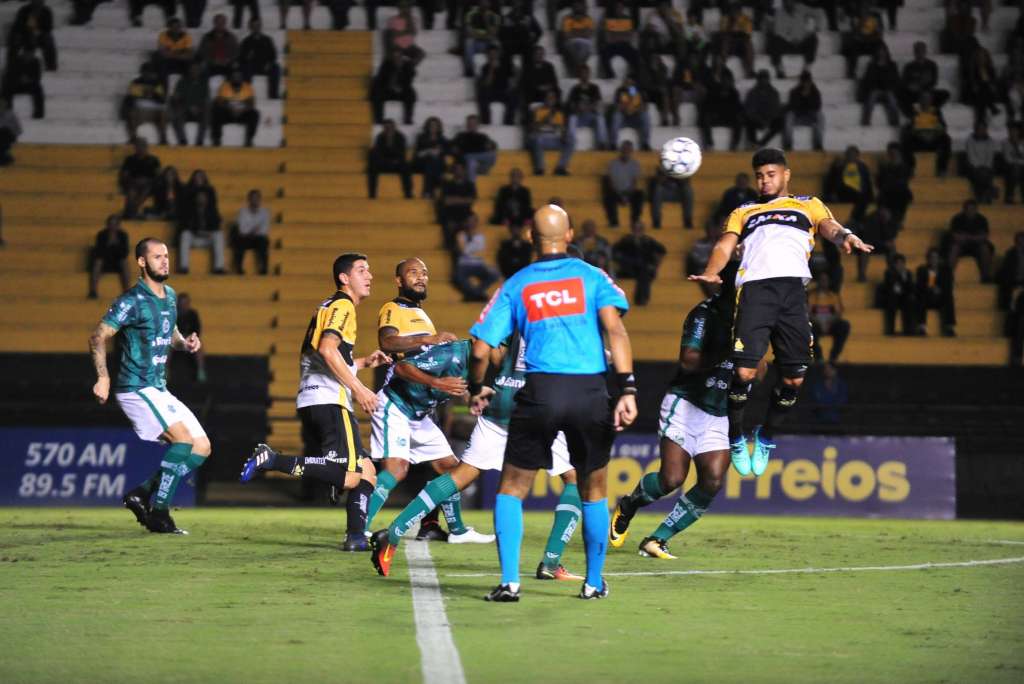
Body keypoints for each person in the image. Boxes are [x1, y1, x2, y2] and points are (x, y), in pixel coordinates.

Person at [467, 204, 637, 601]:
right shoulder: (593, 277)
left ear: (530, 238)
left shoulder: (516, 283)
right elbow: (616, 331)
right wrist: (627, 389)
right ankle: (593, 583)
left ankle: (510, 582)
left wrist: (478, 386)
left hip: (540, 391)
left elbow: (480, 348)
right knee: (594, 488)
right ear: (571, 234)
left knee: (511, 488)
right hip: (590, 393)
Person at [689, 148, 873, 477]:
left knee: (794, 379)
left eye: (770, 174)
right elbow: (724, 245)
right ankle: (735, 437)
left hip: (792, 295)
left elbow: (828, 226)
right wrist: (712, 270)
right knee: (744, 373)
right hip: (756, 293)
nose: (764, 180)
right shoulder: (745, 211)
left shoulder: (807, 204)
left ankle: (766, 435)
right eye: (759, 175)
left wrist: (846, 236)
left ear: (786, 174)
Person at [371, 331, 584, 581]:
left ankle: (393, 533)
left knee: (459, 475)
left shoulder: (515, 308)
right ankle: (550, 562)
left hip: (499, 406)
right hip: (537, 407)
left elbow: (483, 351)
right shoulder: (566, 319)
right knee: (573, 479)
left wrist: (476, 388)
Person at [240, 254, 390, 550]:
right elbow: (327, 348)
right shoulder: (343, 305)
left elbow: (320, 354)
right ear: (344, 278)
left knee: (366, 470)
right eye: (361, 270)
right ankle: (272, 459)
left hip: (313, 397)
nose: (369, 275)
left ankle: (356, 537)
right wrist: (360, 389)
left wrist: (361, 362)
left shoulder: (328, 305)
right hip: (330, 400)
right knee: (349, 476)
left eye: (369, 270)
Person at [365, 258, 489, 543]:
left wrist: (470, 393)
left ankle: (456, 530)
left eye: (424, 273)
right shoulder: (393, 308)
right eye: (413, 273)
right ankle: (359, 529)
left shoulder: (422, 316)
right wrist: (430, 340)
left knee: (450, 468)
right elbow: (388, 343)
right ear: (399, 281)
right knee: (396, 469)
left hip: (419, 411)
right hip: (397, 401)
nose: (421, 277)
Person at [89, 237, 208, 534]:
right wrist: (103, 377)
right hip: (136, 387)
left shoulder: (169, 296)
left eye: (166, 256)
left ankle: (141, 493)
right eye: (157, 257)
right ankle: (160, 513)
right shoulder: (130, 300)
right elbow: (98, 336)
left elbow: (171, 335)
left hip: (157, 387)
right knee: (182, 441)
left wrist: (186, 343)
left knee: (202, 447)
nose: (165, 261)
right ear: (142, 262)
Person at [610, 285, 736, 559]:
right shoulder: (704, 314)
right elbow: (689, 360)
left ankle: (658, 539)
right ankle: (629, 506)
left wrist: (752, 357)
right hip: (685, 403)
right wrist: (728, 350)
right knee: (671, 479)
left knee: (713, 481)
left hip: (718, 411)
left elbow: (756, 369)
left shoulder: (752, 320)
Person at [178, 174, 225, 275]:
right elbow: (185, 226)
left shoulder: (213, 211)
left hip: (207, 238)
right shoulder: (189, 211)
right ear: (195, 199)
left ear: (207, 199)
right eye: (199, 197)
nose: (201, 199)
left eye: (203, 197)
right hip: (194, 238)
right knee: (185, 235)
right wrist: (196, 232)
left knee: (219, 235)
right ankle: (184, 267)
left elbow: (217, 226)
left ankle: (219, 267)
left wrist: (207, 233)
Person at [613, 220, 666, 306]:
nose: (637, 230)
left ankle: (640, 298)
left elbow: (662, 250)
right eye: (636, 228)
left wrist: (657, 263)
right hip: (629, 269)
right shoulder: (626, 240)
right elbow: (614, 251)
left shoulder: (648, 240)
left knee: (644, 272)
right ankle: (643, 298)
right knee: (644, 272)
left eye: (640, 228)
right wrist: (622, 260)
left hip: (644, 269)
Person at [901, 92, 951, 177]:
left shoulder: (936, 111)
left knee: (946, 139)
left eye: (928, 99)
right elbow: (909, 127)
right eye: (923, 99)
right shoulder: (914, 111)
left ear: (931, 100)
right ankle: (910, 168)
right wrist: (919, 134)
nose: (926, 101)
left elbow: (943, 127)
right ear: (920, 100)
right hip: (918, 139)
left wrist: (933, 134)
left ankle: (942, 169)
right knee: (906, 140)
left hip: (933, 139)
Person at [527, 91, 574, 176]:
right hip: (541, 139)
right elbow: (532, 129)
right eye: (549, 98)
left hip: (554, 140)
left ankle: (560, 167)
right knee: (535, 138)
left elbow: (562, 130)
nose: (551, 100)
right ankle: (540, 168)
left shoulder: (559, 113)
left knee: (571, 139)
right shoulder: (538, 111)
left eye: (553, 98)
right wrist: (545, 120)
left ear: (555, 100)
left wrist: (563, 134)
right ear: (545, 99)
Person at [767, 0, 817, 79]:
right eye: (787, 1)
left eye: (791, 1)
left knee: (813, 38)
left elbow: (812, 25)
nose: (789, 2)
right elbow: (777, 32)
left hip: (801, 43)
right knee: (774, 40)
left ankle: (806, 70)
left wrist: (802, 38)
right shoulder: (779, 12)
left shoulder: (804, 9)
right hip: (786, 44)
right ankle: (780, 70)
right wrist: (790, 39)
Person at [454, 215, 500, 301]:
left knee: (494, 274)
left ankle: (474, 294)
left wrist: (469, 249)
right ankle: (478, 295)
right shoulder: (461, 235)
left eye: (473, 221)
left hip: (478, 264)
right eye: (469, 221)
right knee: (458, 276)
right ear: (465, 223)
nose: (471, 224)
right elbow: (463, 251)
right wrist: (473, 249)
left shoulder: (480, 236)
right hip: (464, 265)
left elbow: (480, 252)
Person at [945, 199, 993, 282]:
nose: (970, 212)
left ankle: (986, 276)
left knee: (984, 248)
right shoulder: (957, 219)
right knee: (954, 248)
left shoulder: (982, 219)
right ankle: (948, 276)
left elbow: (984, 236)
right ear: (964, 209)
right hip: (961, 246)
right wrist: (974, 237)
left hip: (976, 246)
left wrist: (967, 237)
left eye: (972, 209)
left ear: (976, 209)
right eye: (968, 209)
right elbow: (955, 236)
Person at [824, 146, 873, 225]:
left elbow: (867, 183)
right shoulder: (840, 166)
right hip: (843, 193)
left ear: (857, 156)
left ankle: (856, 220)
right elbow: (832, 182)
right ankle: (856, 220)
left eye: (853, 155)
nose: (851, 157)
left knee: (864, 198)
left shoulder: (862, 167)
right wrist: (835, 167)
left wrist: (871, 197)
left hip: (858, 194)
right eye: (849, 155)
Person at [700, 59, 742, 151]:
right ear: (721, 81)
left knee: (738, 119)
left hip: (728, 117)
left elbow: (737, 108)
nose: (726, 82)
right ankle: (709, 144)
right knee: (706, 118)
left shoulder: (733, 93)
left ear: (731, 81)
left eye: (728, 80)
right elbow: (707, 106)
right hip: (716, 117)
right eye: (724, 80)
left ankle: (734, 145)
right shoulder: (714, 91)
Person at [808, 272, 850, 364]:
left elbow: (838, 314)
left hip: (830, 324)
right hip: (817, 324)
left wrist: (828, 323)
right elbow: (809, 313)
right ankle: (818, 357)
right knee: (808, 328)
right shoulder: (812, 296)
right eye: (821, 280)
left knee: (844, 325)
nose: (823, 282)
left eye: (825, 280)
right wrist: (820, 323)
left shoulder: (833, 296)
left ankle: (833, 356)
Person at [211, 68, 258, 147]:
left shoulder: (248, 87)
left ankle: (249, 139)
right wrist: (230, 109)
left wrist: (242, 110)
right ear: (231, 77)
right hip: (228, 114)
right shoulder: (224, 86)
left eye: (238, 76)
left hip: (242, 114)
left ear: (242, 77)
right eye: (234, 76)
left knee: (255, 114)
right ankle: (216, 139)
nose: (236, 78)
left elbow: (251, 104)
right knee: (216, 111)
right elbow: (220, 102)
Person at [123, 62, 168, 145]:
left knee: (163, 114)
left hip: (154, 111)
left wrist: (152, 93)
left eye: (149, 72)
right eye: (145, 72)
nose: (147, 74)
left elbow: (162, 99)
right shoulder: (136, 82)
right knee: (131, 114)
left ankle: (163, 139)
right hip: (139, 111)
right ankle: (133, 138)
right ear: (142, 73)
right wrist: (146, 93)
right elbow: (132, 98)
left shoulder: (157, 83)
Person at [367, 119, 412, 199]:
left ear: (395, 128)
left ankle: (408, 193)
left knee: (406, 166)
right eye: (387, 127)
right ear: (384, 128)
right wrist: (387, 161)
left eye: (391, 127)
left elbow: (402, 154)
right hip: (384, 164)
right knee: (372, 166)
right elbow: (378, 154)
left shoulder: (400, 137)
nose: (389, 129)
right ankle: (372, 194)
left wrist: (395, 160)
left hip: (397, 164)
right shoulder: (380, 137)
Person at [88, 214, 131, 299]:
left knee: (124, 263)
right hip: (105, 261)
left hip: (117, 262)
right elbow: (99, 252)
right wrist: (108, 244)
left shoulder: (123, 235)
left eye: (114, 225)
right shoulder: (101, 235)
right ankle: (93, 291)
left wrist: (116, 245)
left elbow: (125, 253)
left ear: (118, 225)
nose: (112, 227)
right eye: (111, 224)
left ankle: (127, 291)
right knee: (98, 262)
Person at [566, 65, 608, 150]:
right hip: (579, 116)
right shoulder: (575, 89)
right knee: (572, 118)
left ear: (589, 74)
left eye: (586, 73)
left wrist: (588, 107)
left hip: (591, 116)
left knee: (600, 118)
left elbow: (598, 103)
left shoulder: (594, 88)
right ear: (579, 75)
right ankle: (570, 144)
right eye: (582, 73)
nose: (584, 75)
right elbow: (571, 105)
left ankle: (601, 144)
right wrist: (578, 108)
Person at [602, 141, 643, 228]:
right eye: (624, 149)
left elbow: (634, 182)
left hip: (628, 191)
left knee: (640, 194)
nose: (626, 152)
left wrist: (627, 195)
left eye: (628, 150)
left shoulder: (635, 164)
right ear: (621, 150)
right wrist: (619, 194)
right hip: (615, 191)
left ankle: (635, 221)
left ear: (631, 151)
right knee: (608, 195)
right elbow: (610, 182)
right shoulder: (613, 164)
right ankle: (614, 222)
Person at [370, 49, 417, 125]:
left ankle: (408, 119)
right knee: (376, 93)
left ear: (402, 57)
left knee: (411, 94)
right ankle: (378, 120)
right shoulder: (386, 63)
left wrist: (401, 87)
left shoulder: (407, 65)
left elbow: (409, 80)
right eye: (395, 57)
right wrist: (390, 86)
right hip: (387, 90)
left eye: (399, 57)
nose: (397, 59)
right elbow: (380, 79)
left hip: (402, 91)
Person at [916, 248, 956, 336]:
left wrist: (939, 290)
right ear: (928, 259)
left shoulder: (946, 270)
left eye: (935, 258)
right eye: (931, 258)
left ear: (939, 259)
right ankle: (921, 327)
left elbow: (948, 286)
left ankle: (949, 327)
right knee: (920, 297)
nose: (933, 260)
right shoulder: (922, 270)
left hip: (941, 297)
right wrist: (930, 289)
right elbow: (919, 286)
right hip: (927, 297)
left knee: (949, 297)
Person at [169, 61, 210, 146]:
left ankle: (199, 141)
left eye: (197, 69)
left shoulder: (204, 83)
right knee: (176, 114)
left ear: (200, 71)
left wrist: (198, 107)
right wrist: (188, 106)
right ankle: (182, 140)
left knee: (207, 112)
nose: (195, 71)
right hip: (185, 109)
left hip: (200, 110)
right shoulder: (182, 82)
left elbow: (206, 99)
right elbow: (176, 97)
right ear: (189, 70)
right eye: (193, 69)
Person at [900, 41, 946, 117]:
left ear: (925, 51)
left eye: (922, 50)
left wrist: (924, 87)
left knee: (944, 94)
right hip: (913, 93)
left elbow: (934, 81)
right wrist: (911, 87)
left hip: (927, 90)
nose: (920, 53)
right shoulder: (909, 66)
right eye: (918, 51)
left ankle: (931, 113)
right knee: (903, 96)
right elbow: (904, 82)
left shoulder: (932, 65)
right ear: (914, 52)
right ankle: (914, 117)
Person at [239, 18, 281, 100]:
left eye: (258, 25)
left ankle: (273, 95)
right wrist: (247, 57)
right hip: (251, 67)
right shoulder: (246, 41)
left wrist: (269, 63)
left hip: (265, 66)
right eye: (254, 26)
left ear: (261, 26)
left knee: (276, 68)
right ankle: (247, 94)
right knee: (245, 68)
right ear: (250, 27)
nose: (256, 28)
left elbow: (273, 55)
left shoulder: (267, 40)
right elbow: (241, 58)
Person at [437, 163, 477, 249]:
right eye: (456, 169)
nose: (458, 171)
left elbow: (471, 200)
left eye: (460, 169)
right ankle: (450, 245)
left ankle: (471, 244)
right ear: (453, 171)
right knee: (449, 224)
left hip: (466, 213)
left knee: (472, 219)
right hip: (450, 214)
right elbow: (446, 201)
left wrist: (455, 199)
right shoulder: (448, 184)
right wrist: (463, 200)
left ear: (464, 171)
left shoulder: (469, 185)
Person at [119, 138, 160, 219]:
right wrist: (133, 181)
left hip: (148, 184)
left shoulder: (153, 160)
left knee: (146, 189)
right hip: (133, 183)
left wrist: (146, 181)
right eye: (138, 146)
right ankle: (132, 212)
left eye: (142, 146)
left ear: (146, 147)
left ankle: (130, 212)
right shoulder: (129, 159)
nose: (140, 148)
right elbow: (124, 174)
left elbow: (157, 176)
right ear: (135, 148)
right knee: (131, 192)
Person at [859, 46, 901, 127]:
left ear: (886, 52)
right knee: (871, 97)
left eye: (883, 51)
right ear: (877, 53)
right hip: (875, 90)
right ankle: (866, 122)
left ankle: (895, 123)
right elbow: (867, 81)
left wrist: (889, 88)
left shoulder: (892, 65)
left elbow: (896, 80)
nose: (882, 54)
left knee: (892, 99)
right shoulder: (871, 66)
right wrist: (876, 88)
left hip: (888, 90)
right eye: (880, 51)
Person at [9, 0, 56, 71]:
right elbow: (18, 26)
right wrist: (28, 32)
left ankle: (51, 66)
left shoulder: (46, 12)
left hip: (39, 36)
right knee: (15, 40)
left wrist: (38, 32)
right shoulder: (24, 10)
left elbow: (48, 28)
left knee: (48, 39)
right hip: (24, 35)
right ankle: (12, 64)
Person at [856, 206, 900, 281]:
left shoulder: (892, 222)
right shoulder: (872, 219)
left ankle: (893, 273)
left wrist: (885, 224)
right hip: (871, 244)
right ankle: (862, 274)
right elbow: (869, 237)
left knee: (892, 248)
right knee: (864, 249)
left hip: (881, 245)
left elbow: (891, 236)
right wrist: (883, 243)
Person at [476, 45, 517, 126]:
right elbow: (487, 83)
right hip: (491, 92)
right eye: (491, 54)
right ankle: (486, 122)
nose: (493, 56)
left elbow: (512, 79)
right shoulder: (485, 67)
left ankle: (508, 122)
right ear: (487, 55)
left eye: (495, 53)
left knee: (514, 97)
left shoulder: (506, 65)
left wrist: (511, 87)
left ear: (498, 54)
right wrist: (492, 69)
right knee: (482, 96)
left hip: (504, 91)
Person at [170, 292, 206, 383]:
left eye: (185, 303)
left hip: (189, 339)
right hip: (175, 340)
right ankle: (164, 371)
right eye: (181, 303)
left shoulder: (193, 314)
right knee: (165, 347)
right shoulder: (173, 314)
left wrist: (190, 338)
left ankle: (200, 371)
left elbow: (197, 330)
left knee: (199, 346)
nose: (183, 306)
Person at [783, 71, 824, 151]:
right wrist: (802, 96)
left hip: (810, 118)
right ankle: (788, 144)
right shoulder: (794, 92)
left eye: (808, 81)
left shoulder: (815, 92)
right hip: (798, 117)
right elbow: (792, 107)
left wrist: (808, 98)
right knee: (789, 116)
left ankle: (818, 144)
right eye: (804, 81)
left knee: (820, 116)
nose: (806, 83)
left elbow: (817, 106)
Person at [498, 0, 542, 74]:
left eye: (519, 1)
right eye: (515, 1)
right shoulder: (507, 17)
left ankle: (528, 75)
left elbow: (539, 31)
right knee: (504, 52)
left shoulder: (528, 17)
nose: (517, 3)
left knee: (530, 50)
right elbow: (500, 34)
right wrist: (504, 42)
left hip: (525, 45)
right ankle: (508, 75)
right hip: (511, 45)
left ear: (522, 3)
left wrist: (533, 40)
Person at [2, 44, 44, 120]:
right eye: (27, 54)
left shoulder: (36, 62)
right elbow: (9, 75)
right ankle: (7, 112)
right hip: (16, 85)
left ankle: (39, 114)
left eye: (31, 54)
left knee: (38, 89)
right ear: (24, 53)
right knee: (6, 89)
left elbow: (37, 77)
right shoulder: (15, 61)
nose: (29, 56)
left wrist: (29, 80)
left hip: (29, 85)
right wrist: (19, 79)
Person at [451, 114, 497, 183]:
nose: (471, 125)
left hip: (480, 165)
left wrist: (491, 146)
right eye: (470, 123)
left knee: (492, 155)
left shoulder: (483, 137)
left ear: (477, 125)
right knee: (472, 162)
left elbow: (492, 146)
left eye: (474, 123)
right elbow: (454, 149)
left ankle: (472, 160)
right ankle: (471, 186)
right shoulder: (460, 136)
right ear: (467, 124)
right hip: (466, 163)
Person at [598, 1, 639, 80]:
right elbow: (608, 38)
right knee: (604, 53)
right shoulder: (609, 20)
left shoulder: (627, 19)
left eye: (621, 7)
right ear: (614, 8)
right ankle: (610, 76)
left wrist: (616, 35)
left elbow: (629, 37)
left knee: (635, 54)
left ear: (623, 8)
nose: (619, 9)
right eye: (617, 7)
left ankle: (634, 78)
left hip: (624, 46)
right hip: (612, 46)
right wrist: (622, 35)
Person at [610, 75, 652, 151]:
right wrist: (628, 107)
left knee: (645, 116)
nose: (628, 84)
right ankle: (613, 144)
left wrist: (633, 108)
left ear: (634, 83)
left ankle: (645, 144)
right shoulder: (620, 91)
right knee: (616, 116)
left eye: (630, 82)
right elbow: (617, 107)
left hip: (636, 119)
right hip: (623, 119)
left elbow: (645, 107)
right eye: (627, 82)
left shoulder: (638, 91)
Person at [233, 188, 269, 274]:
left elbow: (264, 230)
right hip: (246, 238)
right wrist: (255, 229)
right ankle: (239, 268)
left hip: (258, 239)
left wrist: (250, 229)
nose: (255, 200)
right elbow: (242, 229)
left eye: (257, 198)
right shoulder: (242, 211)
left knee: (264, 240)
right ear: (249, 199)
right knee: (240, 240)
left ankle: (264, 269)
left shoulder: (265, 212)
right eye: (253, 198)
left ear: (260, 199)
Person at [744, 70, 783, 148]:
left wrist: (768, 120)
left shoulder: (773, 92)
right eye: (761, 79)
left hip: (769, 119)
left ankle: (761, 143)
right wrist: (760, 120)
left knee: (779, 122)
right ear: (758, 80)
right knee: (748, 121)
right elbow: (750, 111)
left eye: (765, 79)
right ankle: (752, 143)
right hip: (757, 119)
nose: (763, 81)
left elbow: (775, 110)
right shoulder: (752, 93)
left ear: (768, 80)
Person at [841, 5, 884, 79]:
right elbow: (854, 33)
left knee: (880, 46)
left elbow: (880, 32)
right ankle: (851, 72)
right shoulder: (855, 16)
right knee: (853, 47)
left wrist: (872, 36)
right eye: (863, 6)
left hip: (872, 42)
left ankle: (877, 73)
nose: (865, 8)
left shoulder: (876, 16)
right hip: (860, 43)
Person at [880, 252, 917, 335]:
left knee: (911, 301)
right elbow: (891, 287)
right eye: (898, 264)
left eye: (901, 263)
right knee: (892, 300)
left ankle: (909, 330)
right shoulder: (889, 273)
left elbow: (911, 288)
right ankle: (891, 330)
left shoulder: (908, 273)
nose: (900, 266)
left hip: (904, 298)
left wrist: (903, 278)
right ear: (894, 265)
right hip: (892, 297)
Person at [714, 4, 754, 79]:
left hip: (741, 43)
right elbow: (722, 33)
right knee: (726, 41)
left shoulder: (745, 19)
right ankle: (719, 72)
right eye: (734, 11)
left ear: (740, 11)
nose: (735, 13)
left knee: (748, 44)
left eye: (737, 11)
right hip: (730, 44)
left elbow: (748, 34)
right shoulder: (725, 19)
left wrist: (740, 29)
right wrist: (731, 25)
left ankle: (749, 72)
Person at [412, 117, 448, 199]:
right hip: (421, 164)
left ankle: (427, 192)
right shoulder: (421, 138)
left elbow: (447, 151)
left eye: (435, 125)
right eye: (431, 125)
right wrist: (428, 151)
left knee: (432, 162)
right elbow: (417, 155)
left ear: (439, 127)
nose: (433, 127)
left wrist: (439, 151)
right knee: (430, 161)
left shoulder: (442, 139)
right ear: (427, 126)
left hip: (437, 165)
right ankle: (436, 186)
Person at [649, 165, 695, 231]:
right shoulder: (662, 167)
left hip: (678, 193)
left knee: (688, 190)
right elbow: (659, 182)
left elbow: (686, 182)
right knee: (658, 190)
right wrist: (666, 173)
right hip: (665, 193)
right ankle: (657, 220)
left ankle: (688, 219)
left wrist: (678, 174)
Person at [463, 0, 501, 78]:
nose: (484, 3)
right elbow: (469, 32)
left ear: (490, 3)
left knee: (496, 42)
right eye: (482, 1)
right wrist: (485, 35)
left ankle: (497, 69)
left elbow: (494, 33)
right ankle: (469, 70)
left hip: (489, 43)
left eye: (487, 1)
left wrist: (486, 20)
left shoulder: (495, 16)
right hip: (476, 43)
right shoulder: (470, 14)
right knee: (468, 42)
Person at [876, 142, 913, 221]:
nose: (893, 156)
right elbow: (879, 184)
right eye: (891, 153)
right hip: (887, 195)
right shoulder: (885, 169)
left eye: (895, 153)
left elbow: (904, 183)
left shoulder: (906, 168)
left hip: (900, 196)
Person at [558, 1, 595, 78]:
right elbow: (567, 35)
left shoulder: (588, 19)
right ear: (573, 7)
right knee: (575, 47)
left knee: (582, 47)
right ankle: (580, 71)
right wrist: (582, 32)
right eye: (576, 6)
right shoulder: (567, 19)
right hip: (570, 42)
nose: (578, 7)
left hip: (585, 43)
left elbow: (589, 35)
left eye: (580, 5)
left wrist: (574, 31)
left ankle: (577, 71)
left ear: (583, 7)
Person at [964, 121, 998, 203]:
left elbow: (990, 157)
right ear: (975, 129)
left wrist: (985, 168)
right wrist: (980, 167)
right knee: (982, 174)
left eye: (983, 129)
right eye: (979, 129)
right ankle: (989, 192)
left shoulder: (991, 141)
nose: (981, 131)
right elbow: (971, 156)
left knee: (984, 174)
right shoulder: (969, 141)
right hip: (973, 167)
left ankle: (982, 196)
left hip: (987, 168)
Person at [384, 0, 426, 66]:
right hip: (397, 47)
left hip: (408, 46)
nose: (405, 10)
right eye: (403, 8)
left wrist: (409, 21)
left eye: (407, 8)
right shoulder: (394, 20)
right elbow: (393, 36)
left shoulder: (412, 19)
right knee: (397, 56)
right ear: (399, 9)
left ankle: (409, 66)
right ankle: (401, 70)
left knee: (421, 53)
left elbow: (413, 33)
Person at [520, 45, 560, 111]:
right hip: (534, 94)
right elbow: (525, 83)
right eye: (537, 54)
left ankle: (555, 117)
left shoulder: (549, 67)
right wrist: (539, 88)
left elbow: (554, 81)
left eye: (541, 54)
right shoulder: (527, 68)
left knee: (553, 94)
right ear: (533, 55)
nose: (539, 56)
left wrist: (548, 87)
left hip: (548, 93)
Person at [155, 17, 194, 84]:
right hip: (168, 62)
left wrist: (171, 53)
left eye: (178, 26)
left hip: (181, 63)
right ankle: (163, 91)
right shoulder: (163, 35)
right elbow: (162, 53)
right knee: (160, 64)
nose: (176, 29)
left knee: (190, 66)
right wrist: (179, 53)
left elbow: (189, 54)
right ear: (169, 27)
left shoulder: (186, 36)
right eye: (173, 26)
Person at [687, 223, 722, 297]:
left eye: (714, 230)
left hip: (721, 268)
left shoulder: (724, 243)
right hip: (704, 268)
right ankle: (713, 297)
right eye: (710, 230)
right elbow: (697, 260)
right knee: (707, 277)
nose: (713, 232)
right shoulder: (700, 244)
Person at [997, 232, 1024, 310]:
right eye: (1020, 242)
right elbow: (1006, 272)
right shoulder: (1010, 254)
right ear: (1016, 243)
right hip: (1014, 282)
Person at [1002, 124, 1024, 205]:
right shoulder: (1005, 143)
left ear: (1019, 132)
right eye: (1011, 131)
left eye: (1015, 131)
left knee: (1018, 169)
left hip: (1021, 167)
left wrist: (1018, 163)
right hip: (1009, 167)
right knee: (1015, 169)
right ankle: (1010, 196)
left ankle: (1009, 196)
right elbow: (1008, 159)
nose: (1013, 133)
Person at [0, 97, 22, 166]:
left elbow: (18, 129)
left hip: (8, 137)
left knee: (4, 131)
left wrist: (12, 135)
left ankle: (5, 157)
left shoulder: (11, 115)